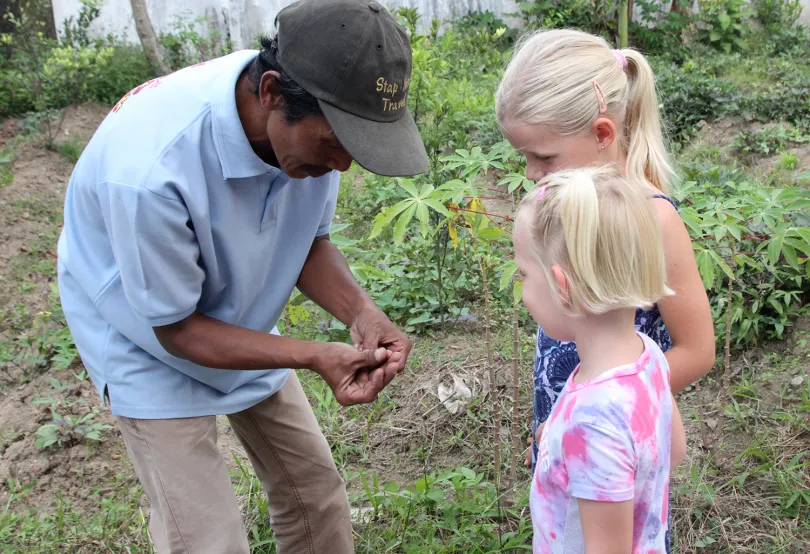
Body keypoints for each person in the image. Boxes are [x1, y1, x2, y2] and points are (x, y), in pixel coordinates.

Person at [56, 1, 428, 553]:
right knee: (207, 537)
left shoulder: (311, 132)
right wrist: (312, 354)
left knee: (315, 497)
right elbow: (180, 331)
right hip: (143, 335)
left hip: (237, 311)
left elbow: (307, 245)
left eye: (353, 150)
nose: (343, 168)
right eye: (332, 146)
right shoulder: (152, 168)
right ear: (272, 93)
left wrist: (362, 313)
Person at [496, 28, 715, 549]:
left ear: (601, 133)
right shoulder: (560, 209)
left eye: (543, 158)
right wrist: (560, 422)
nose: (531, 174)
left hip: (608, 439)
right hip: (575, 428)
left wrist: (605, 415)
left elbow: (698, 348)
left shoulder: (652, 218)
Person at [513, 165, 687, 553]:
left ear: (563, 288)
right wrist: (558, 435)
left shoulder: (592, 421)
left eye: (523, 275)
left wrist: (580, 442)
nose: (522, 289)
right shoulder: (647, 353)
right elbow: (672, 451)